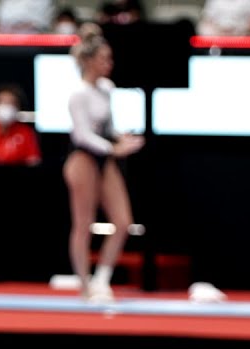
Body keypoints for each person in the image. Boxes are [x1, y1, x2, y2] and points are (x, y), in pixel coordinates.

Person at [63, 22, 143, 303]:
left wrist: (123, 139)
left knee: (122, 221)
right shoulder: (78, 95)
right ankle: (84, 284)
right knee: (83, 223)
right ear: (89, 61)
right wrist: (114, 149)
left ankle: (102, 279)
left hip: (105, 158)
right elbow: (83, 134)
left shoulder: (107, 88)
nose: (109, 64)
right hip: (83, 158)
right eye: (104, 59)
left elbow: (108, 126)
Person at [0, 84, 41, 166]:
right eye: (2, 102)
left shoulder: (26, 133)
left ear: (17, 107)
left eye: (11, 103)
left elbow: (33, 161)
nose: (6, 106)